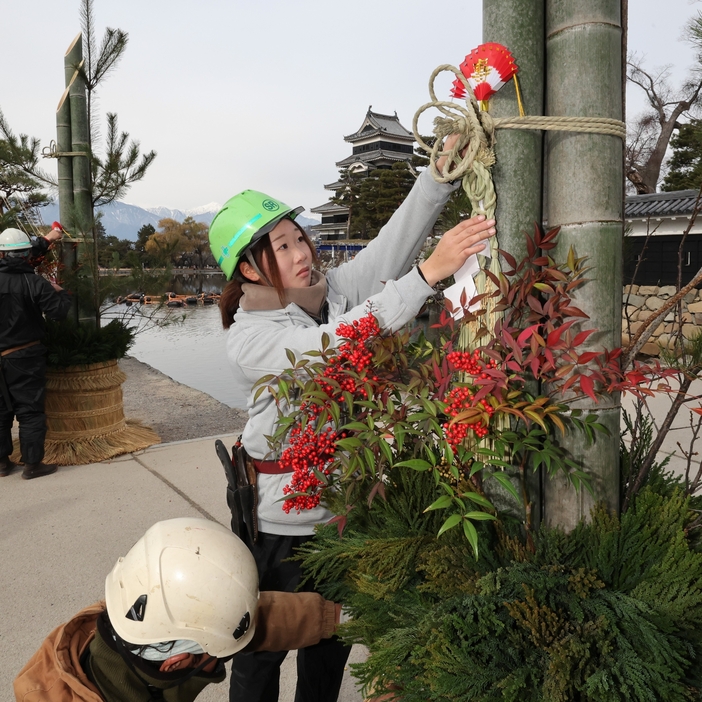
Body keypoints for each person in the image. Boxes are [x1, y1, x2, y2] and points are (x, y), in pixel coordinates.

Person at [208, 137, 496, 702]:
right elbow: (330, 346)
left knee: (329, 646)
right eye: (280, 246)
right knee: (262, 651)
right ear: (247, 267)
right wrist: (428, 276)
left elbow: (390, 247)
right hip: (278, 525)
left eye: (298, 238)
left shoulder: (332, 293)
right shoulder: (251, 339)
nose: (300, 254)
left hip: (340, 512)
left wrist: (439, 176)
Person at [14, 517, 343, 702]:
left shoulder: (141, 616)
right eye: (214, 655)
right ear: (176, 664)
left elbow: (257, 620)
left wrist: (340, 617)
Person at [0, 226, 71, 480]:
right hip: (25, 356)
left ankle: (2, 464)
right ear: (26, 255)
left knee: (0, 412)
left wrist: (47, 240)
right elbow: (59, 313)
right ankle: (32, 465)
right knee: (30, 411)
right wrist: (61, 294)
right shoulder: (34, 282)